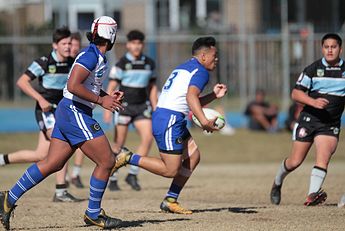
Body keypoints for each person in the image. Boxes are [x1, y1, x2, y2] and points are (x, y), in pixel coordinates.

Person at [0, 16, 124, 230]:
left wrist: (107, 95)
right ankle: (93, 214)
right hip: (76, 111)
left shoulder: (94, 55)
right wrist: (101, 100)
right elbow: (74, 85)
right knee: (107, 161)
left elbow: (87, 86)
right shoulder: (91, 56)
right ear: (111, 35)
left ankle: (7, 199)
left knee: (52, 163)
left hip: (69, 111)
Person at [112, 36, 228, 214]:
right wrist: (204, 122)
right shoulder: (202, 72)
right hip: (169, 119)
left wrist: (213, 95)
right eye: (215, 55)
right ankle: (128, 157)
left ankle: (170, 200)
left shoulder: (186, 66)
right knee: (170, 170)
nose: (217, 59)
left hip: (170, 118)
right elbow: (190, 98)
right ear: (203, 56)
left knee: (193, 156)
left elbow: (189, 99)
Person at [0, 27, 82, 202]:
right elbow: (21, 82)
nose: (69, 47)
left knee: (41, 155)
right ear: (55, 45)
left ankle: (1, 159)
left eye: (70, 43)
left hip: (61, 111)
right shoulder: (43, 62)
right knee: (64, 141)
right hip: (45, 111)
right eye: (64, 43)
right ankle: (61, 191)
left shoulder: (72, 63)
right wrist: (40, 99)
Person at [270, 33, 345, 206]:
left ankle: (311, 196)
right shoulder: (313, 69)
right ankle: (277, 182)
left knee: (323, 157)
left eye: (333, 47)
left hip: (330, 124)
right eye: (326, 47)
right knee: (295, 161)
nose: (329, 50)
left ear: (340, 49)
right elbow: (295, 93)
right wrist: (313, 102)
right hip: (308, 120)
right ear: (322, 48)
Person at [104, 30, 158, 191]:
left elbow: (153, 87)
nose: (136, 46)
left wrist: (156, 107)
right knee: (119, 144)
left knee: (148, 138)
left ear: (142, 45)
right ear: (128, 45)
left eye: (139, 43)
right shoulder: (121, 64)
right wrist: (107, 109)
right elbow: (112, 86)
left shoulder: (149, 63)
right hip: (124, 107)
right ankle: (112, 177)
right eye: (133, 43)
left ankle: (132, 174)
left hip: (142, 106)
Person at [69, 32, 86, 188]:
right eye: (70, 45)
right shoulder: (63, 62)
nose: (73, 48)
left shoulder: (82, 61)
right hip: (66, 109)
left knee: (82, 141)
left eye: (75, 45)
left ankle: (75, 174)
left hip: (79, 108)